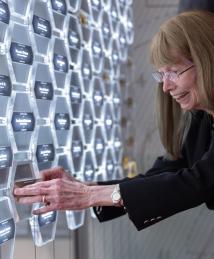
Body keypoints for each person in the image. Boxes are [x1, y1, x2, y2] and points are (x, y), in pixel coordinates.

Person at [14, 10, 214, 231]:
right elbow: (170, 171)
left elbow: (200, 181)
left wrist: (88, 195)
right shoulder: (203, 118)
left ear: (207, 60)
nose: (166, 87)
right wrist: (83, 188)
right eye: (161, 75)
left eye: (174, 72)